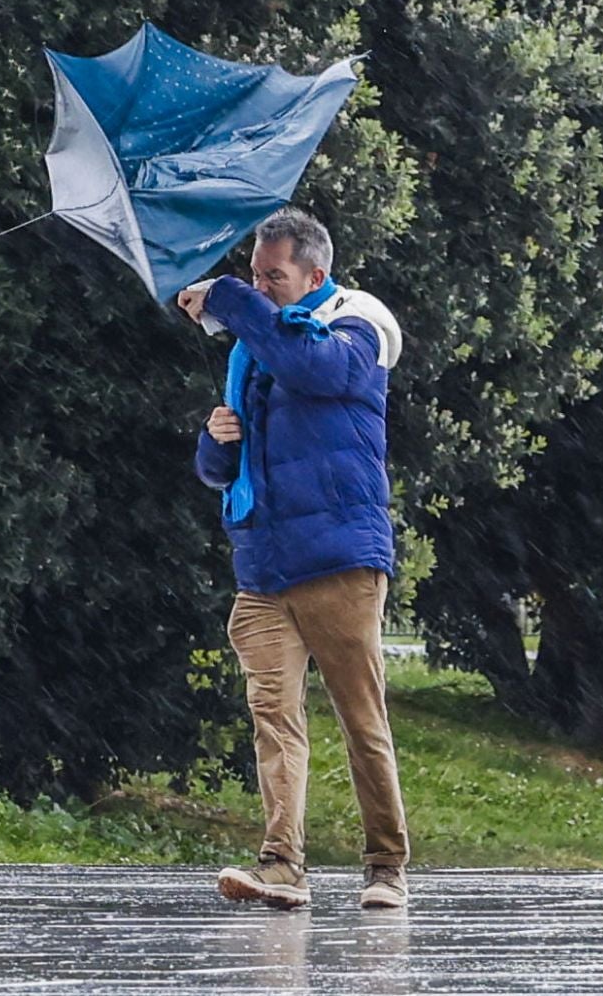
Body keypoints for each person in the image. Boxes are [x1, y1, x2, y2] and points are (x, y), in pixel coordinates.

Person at [177, 205, 410, 911]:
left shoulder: (357, 327)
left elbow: (310, 367)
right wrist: (217, 441)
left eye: (272, 276)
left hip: (339, 560)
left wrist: (224, 295)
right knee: (273, 720)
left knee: (361, 719)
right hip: (264, 566)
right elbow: (220, 471)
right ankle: (281, 865)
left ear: (316, 274)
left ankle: (387, 868)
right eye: (253, 274)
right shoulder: (256, 354)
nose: (261, 287)